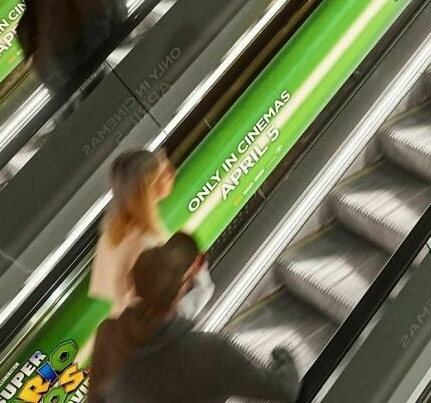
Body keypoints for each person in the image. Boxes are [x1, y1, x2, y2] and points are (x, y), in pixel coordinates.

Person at [88, 233, 300, 403]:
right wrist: (285, 358)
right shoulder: (211, 352)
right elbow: (283, 391)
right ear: (182, 286)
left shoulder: (107, 335)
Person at [89, 150, 175, 317]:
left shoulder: (113, 233)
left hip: (126, 326)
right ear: (150, 185)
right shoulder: (147, 243)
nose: (173, 174)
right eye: (165, 172)